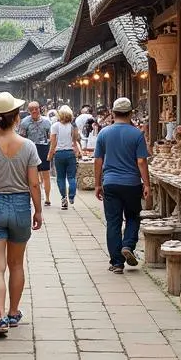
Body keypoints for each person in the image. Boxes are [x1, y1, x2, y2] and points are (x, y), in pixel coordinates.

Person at [0, 92, 43, 336]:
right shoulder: (29, 146)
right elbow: (34, 183)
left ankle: (0, 316)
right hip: (21, 206)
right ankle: (14, 312)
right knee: (16, 264)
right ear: (16, 117)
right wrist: (38, 211)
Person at [94, 97, 151, 273]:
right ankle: (128, 245)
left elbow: (98, 160)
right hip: (132, 183)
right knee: (133, 217)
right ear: (131, 113)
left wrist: (97, 184)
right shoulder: (137, 134)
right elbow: (141, 161)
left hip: (110, 183)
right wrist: (146, 184)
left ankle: (117, 263)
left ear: (113, 112)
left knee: (113, 222)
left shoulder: (104, 133)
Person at [18, 101, 54, 207]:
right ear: (29, 111)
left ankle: (47, 198)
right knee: (31, 175)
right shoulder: (24, 122)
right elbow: (22, 138)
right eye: (31, 109)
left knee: (46, 174)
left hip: (43, 148)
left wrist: (50, 150)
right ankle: (32, 196)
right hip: (30, 149)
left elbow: (50, 137)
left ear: (40, 109)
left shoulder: (47, 122)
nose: (34, 111)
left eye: (36, 108)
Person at [47, 104, 82, 209]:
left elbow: (53, 142)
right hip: (70, 153)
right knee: (71, 177)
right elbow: (75, 141)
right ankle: (72, 195)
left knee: (60, 178)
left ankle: (63, 199)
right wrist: (78, 152)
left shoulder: (55, 126)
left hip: (59, 154)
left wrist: (50, 154)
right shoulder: (73, 126)